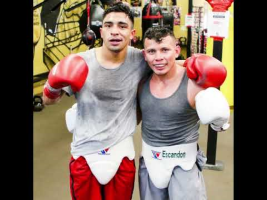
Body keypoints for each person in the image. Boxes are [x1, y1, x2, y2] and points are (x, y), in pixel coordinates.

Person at [42, 2, 151, 200]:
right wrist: (52, 85)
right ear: (101, 32)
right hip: (85, 152)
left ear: (132, 33)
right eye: (109, 26)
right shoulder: (80, 62)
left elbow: (172, 66)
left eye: (122, 26)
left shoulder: (141, 60)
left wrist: (197, 67)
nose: (115, 31)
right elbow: (48, 102)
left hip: (121, 152)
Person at [138, 26, 230, 200]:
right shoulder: (141, 82)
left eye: (165, 50)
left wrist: (220, 121)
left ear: (177, 50)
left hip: (184, 164)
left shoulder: (194, 83)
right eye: (152, 51)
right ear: (144, 54)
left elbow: (219, 124)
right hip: (150, 162)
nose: (158, 58)